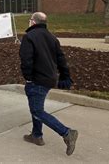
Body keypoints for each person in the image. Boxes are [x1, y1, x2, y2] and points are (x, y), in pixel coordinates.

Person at [20, 12, 78, 155]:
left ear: (33, 22)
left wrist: (28, 77)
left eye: (30, 20)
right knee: (36, 107)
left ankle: (66, 132)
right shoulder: (52, 37)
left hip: (36, 80)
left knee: (37, 110)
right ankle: (36, 135)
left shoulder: (29, 37)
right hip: (50, 78)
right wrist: (65, 75)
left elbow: (26, 60)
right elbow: (61, 59)